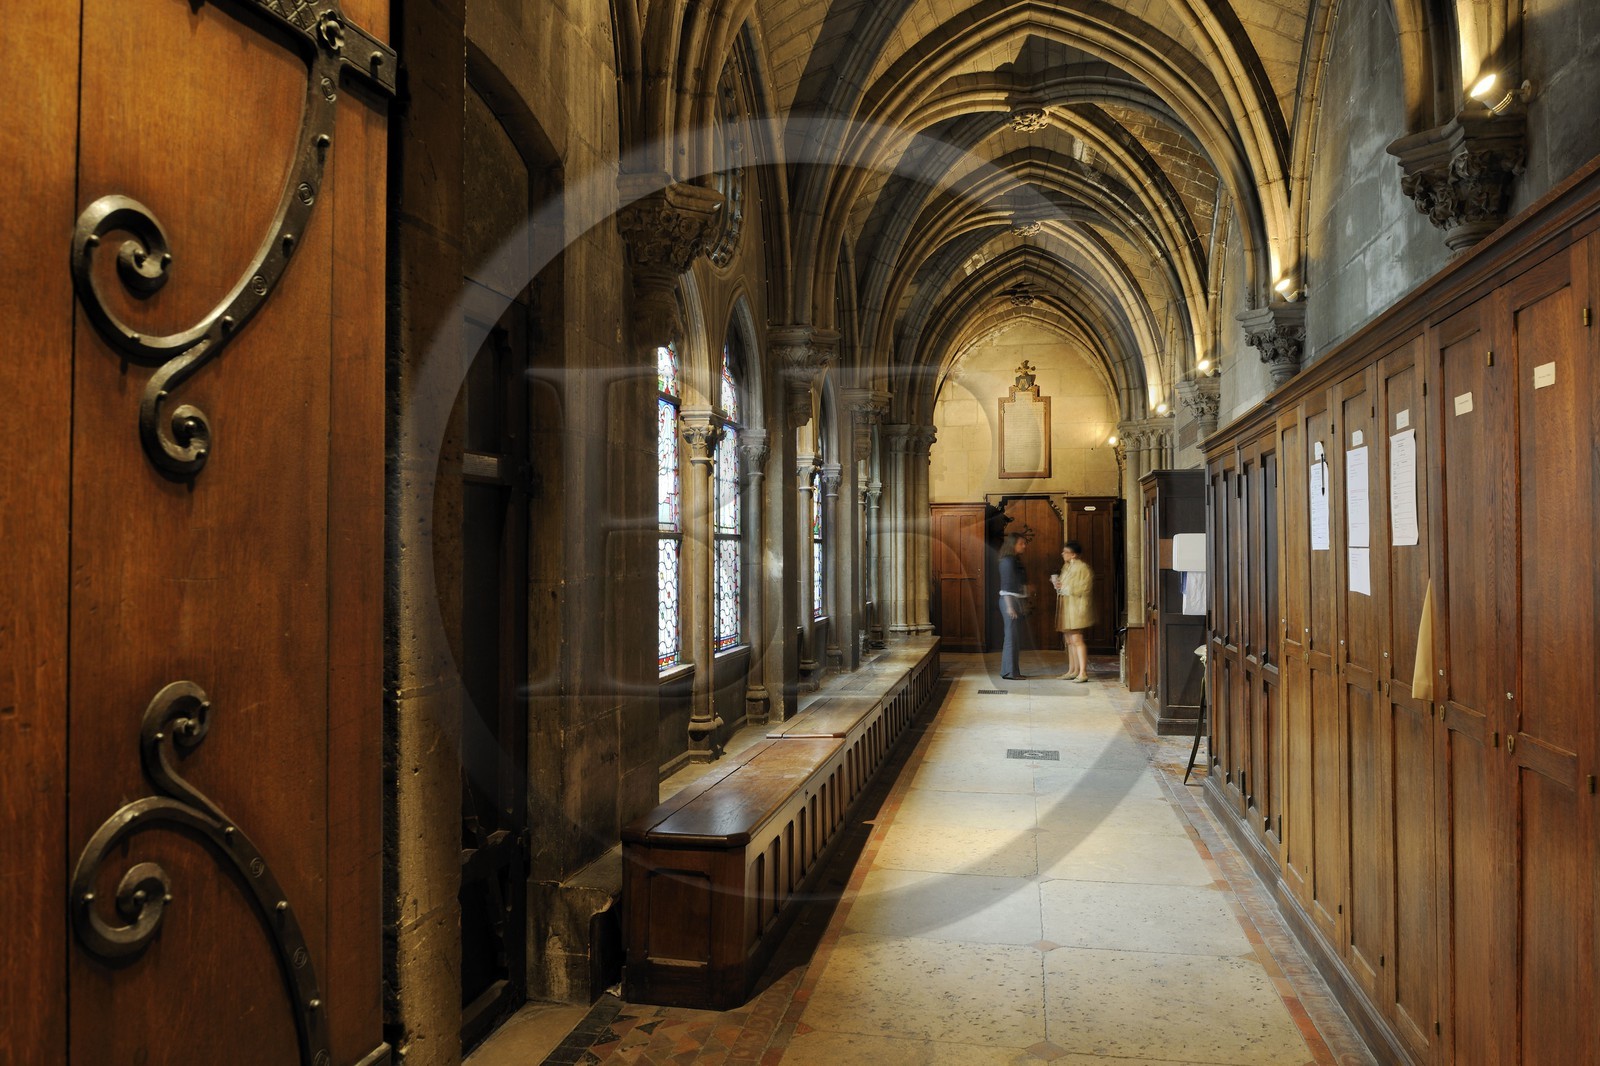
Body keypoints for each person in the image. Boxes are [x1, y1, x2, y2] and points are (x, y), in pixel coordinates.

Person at [1050, 540, 1095, 682]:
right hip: (1067, 606)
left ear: (1074, 554)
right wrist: (1057, 585)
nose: (1062, 554)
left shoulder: (1082, 568)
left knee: (1077, 639)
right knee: (1069, 640)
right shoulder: (1067, 567)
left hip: (1077, 607)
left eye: (1066, 552)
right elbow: (1064, 585)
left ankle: (1082, 672)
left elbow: (1084, 587)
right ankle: (1072, 670)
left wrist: (1066, 589)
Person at [997, 531, 1030, 680]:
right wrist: (1010, 607)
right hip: (1008, 601)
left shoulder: (1013, 560)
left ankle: (1009, 671)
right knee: (1011, 638)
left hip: (1013, 600)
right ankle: (1011, 673)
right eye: (1021, 543)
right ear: (1013, 545)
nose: (1024, 545)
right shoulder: (1008, 561)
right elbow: (1006, 587)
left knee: (1013, 638)